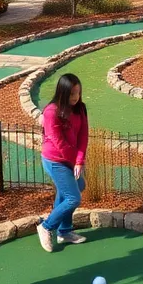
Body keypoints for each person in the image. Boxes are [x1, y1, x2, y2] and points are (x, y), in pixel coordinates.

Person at [37, 73, 90, 253]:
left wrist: (79, 160)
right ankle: (46, 226)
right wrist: (74, 161)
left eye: (78, 93)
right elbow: (59, 143)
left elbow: (83, 135)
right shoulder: (51, 112)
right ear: (63, 92)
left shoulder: (80, 109)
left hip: (71, 159)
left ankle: (64, 231)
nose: (75, 97)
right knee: (73, 197)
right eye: (72, 94)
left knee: (73, 188)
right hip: (54, 160)